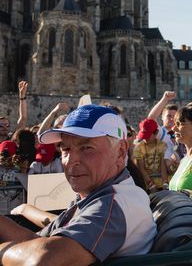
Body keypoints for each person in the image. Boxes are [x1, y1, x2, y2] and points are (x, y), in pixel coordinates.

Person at [0, 104, 156, 264]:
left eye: (86, 148)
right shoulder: (101, 195)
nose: (71, 161)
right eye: (65, 149)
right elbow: (39, 240)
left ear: (121, 151)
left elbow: (44, 259)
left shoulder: (112, 205)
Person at [132, 118, 169, 192]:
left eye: (148, 135)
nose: (145, 138)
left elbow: (163, 165)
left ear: (156, 133)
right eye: (143, 135)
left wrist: (165, 183)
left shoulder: (163, 145)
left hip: (162, 181)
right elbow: (141, 167)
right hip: (147, 183)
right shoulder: (138, 147)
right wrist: (151, 184)